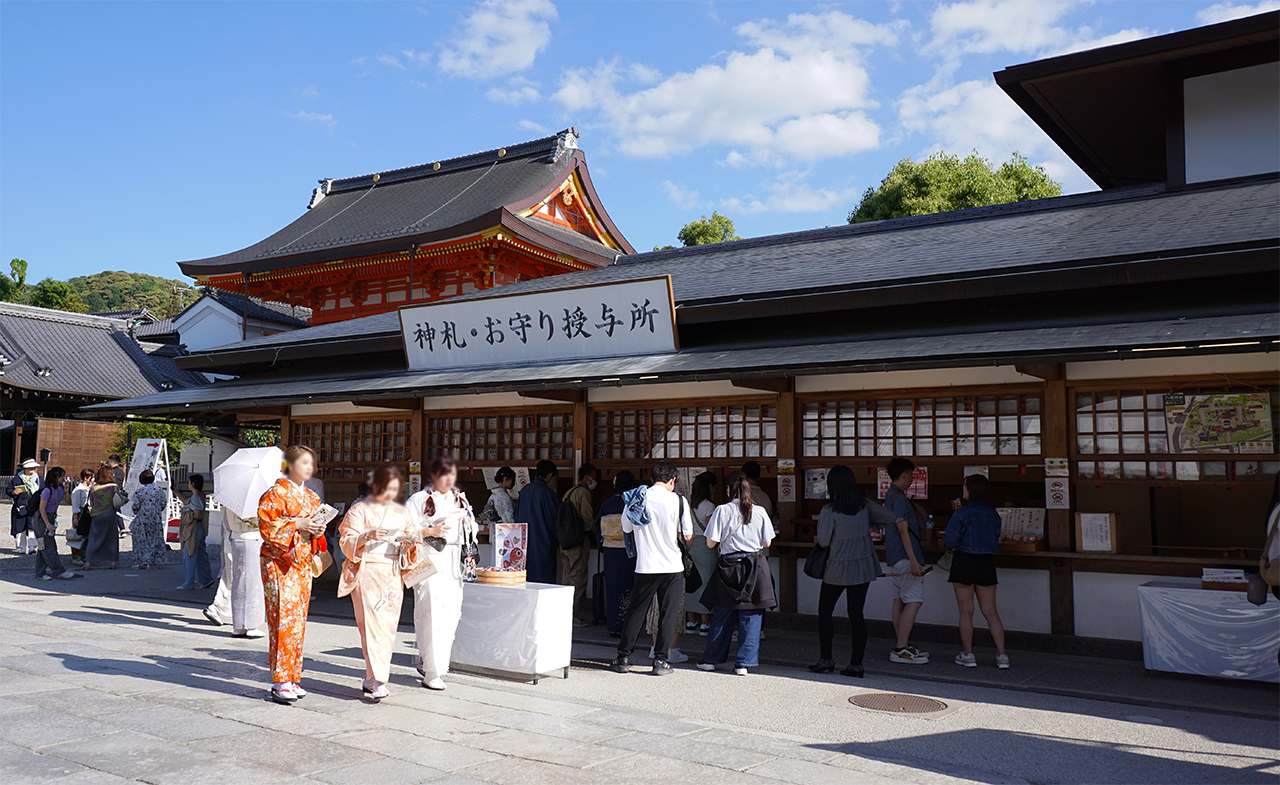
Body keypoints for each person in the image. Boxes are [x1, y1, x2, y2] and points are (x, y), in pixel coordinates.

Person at [808, 465, 906, 678]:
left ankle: (826, 659)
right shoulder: (865, 505)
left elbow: (823, 542)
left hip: (836, 566)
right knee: (856, 615)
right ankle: (856, 664)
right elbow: (891, 517)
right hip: (862, 567)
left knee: (825, 613)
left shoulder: (829, 510)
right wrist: (868, 524)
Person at [609, 460, 693, 676]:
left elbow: (626, 527)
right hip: (673, 566)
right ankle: (660, 661)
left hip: (645, 565)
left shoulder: (638, 499)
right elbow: (688, 535)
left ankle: (623, 658)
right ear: (672, 480)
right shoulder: (679, 501)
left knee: (636, 612)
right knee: (668, 614)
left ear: (652, 479)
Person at [257, 445, 326, 704]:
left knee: (298, 619)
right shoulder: (274, 494)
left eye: (312, 463)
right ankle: (280, 680)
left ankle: (293, 676)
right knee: (282, 618)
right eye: (303, 462)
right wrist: (296, 524)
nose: (309, 467)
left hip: (302, 562)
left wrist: (316, 530)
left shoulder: (312, 497)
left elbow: (315, 530)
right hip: (279, 563)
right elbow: (266, 527)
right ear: (289, 465)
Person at [340, 464, 415, 700]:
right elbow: (346, 539)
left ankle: (371, 678)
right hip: (368, 571)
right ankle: (379, 680)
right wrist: (366, 536)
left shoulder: (403, 513)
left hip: (392, 573)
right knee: (371, 626)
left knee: (388, 628)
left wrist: (409, 544)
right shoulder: (359, 510)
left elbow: (414, 540)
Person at [408, 454, 478, 691]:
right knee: (431, 613)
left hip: (452, 561)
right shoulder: (419, 500)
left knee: (450, 614)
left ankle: (433, 663)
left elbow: (473, 527)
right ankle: (432, 670)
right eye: (443, 474)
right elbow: (404, 531)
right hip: (429, 559)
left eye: (451, 475)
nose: (448, 479)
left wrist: (467, 524)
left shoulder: (460, 500)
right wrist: (429, 530)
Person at [697, 472, 776, 675]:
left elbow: (710, 542)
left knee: (722, 613)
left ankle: (711, 660)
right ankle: (743, 663)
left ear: (728, 490)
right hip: (754, 564)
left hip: (729, 565)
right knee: (751, 614)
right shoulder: (759, 512)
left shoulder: (722, 510)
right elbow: (767, 543)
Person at [946, 474, 1008, 669]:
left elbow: (950, 540)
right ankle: (1002, 655)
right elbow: (997, 538)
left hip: (964, 560)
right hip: (986, 562)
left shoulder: (961, 514)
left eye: (965, 487)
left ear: (970, 490)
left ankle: (968, 654)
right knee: (991, 611)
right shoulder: (993, 514)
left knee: (966, 611)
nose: (963, 490)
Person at [883, 457, 929, 665]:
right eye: (911, 474)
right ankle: (900, 648)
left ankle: (902, 643)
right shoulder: (900, 499)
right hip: (905, 556)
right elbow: (904, 530)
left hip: (893, 556)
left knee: (898, 600)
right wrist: (913, 560)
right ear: (904, 474)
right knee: (914, 600)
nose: (912, 478)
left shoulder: (889, 496)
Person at [596, 470, 637, 637]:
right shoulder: (633, 504)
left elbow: (598, 526)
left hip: (611, 552)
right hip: (628, 551)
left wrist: (602, 544)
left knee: (612, 588)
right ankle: (626, 625)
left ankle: (613, 624)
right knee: (628, 587)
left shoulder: (607, 504)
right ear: (632, 486)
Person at [562, 464, 598, 627]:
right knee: (578, 577)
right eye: (593, 477)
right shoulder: (583, 493)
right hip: (577, 540)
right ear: (586, 477)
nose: (595, 481)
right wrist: (597, 534)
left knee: (567, 576)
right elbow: (587, 518)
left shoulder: (569, 492)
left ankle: (564, 612)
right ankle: (572, 615)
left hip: (565, 540)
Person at [685, 471, 718, 635]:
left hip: (690, 545)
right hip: (705, 547)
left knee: (691, 584)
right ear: (709, 487)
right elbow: (711, 530)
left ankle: (691, 621)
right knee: (705, 585)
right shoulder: (709, 506)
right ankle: (705, 623)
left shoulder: (688, 505)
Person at [516, 460, 559, 585]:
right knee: (544, 580)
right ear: (550, 475)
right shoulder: (548, 494)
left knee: (525, 579)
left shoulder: (524, 491)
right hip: (543, 542)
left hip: (523, 542)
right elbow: (554, 520)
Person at [33, 467, 75, 581]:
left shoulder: (61, 488)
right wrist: (47, 524)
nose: (64, 479)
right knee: (49, 546)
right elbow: (42, 509)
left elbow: (68, 501)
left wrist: (66, 491)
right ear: (56, 477)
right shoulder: (47, 490)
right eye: (62, 476)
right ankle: (59, 571)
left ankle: (40, 573)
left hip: (50, 518)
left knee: (42, 547)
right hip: (42, 519)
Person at [177, 474, 214, 590]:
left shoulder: (195, 498)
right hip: (200, 528)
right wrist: (175, 491)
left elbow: (196, 514)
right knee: (201, 554)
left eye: (189, 482)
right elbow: (186, 501)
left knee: (190, 554)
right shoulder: (201, 495)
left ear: (192, 484)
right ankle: (206, 579)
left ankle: (189, 583)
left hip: (193, 528)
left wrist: (187, 513)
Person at [84, 466, 122, 570]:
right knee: (112, 539)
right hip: (110, 514)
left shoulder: (93, 487)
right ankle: (113, 562)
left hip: (96, 515)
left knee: (94, 538)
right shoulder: (114, 487)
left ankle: (88, 562)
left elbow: (91, 501)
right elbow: (118, 501)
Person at [130, 470, 169, 570]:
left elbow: (135, 507)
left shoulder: (139, 492)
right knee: (153, 540)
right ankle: (150, 563)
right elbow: (163, 504)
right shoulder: (159, 491)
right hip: (154, 519)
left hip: (141, 520)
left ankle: (138, 562)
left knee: (140, 541)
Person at [9, 458, 42, 554]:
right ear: (25, 468)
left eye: (34, 467)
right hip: (20, 506)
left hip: (34, 506)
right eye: (30, 467)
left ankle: (32, 547)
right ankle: (21, 547)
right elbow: (8, 490)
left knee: (32, 527)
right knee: (20, 528)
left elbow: (43, 490)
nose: (32, 469)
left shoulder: (39, 479)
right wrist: (13, 492)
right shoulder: (17, 478)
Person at [67, 469, 94, 567]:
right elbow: (75, 505)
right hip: (80, 513)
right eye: (92, 477)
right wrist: (75, 518)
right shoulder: (78, 490)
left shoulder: (90, 488)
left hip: (87, 512)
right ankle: (76, 557)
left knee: (86, 536)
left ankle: (84, 555)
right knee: (77, 536)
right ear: (87, 478)